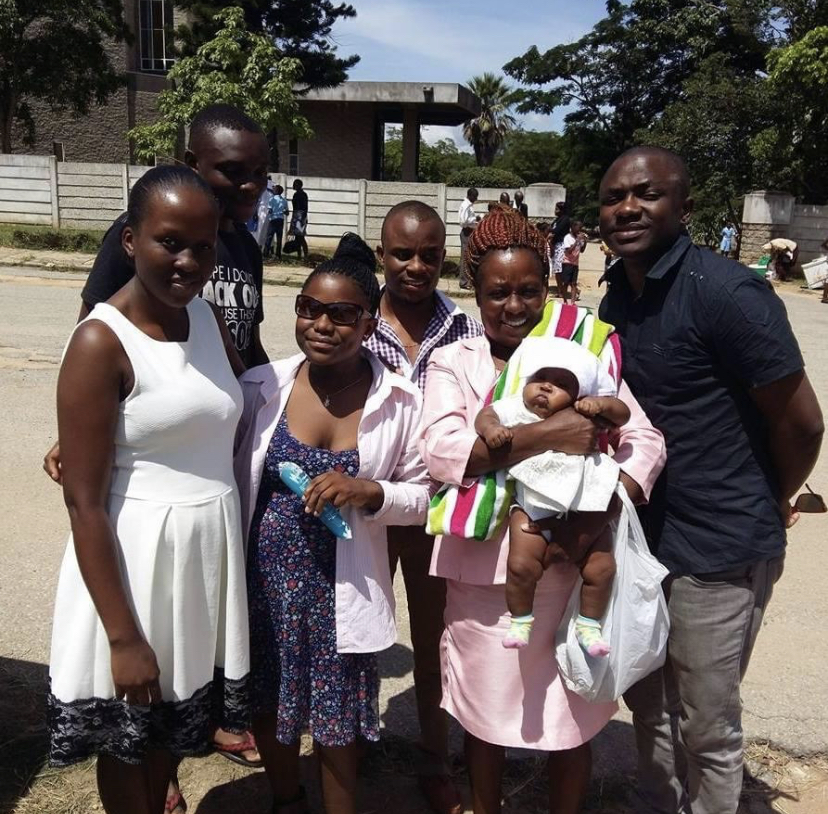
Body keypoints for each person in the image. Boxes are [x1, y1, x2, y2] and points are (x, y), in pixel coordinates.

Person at [598, 146, 824, 814]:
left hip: (721, 547)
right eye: (613, 196)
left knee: (707, 720)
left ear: (685, 207)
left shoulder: (728, 292)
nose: (627, 208)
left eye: (647, 194)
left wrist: (770, 497)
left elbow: (803, 424)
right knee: (646, 699)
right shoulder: (616, 297)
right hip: (643, 540)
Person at [420, 206, 666, 814]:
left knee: (571, 719)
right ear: (474, 293)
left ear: (549, 288)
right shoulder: (457, 363)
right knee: (484, 718)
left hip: (570, 577)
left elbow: (645, 441)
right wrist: (554, 434)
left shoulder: (581, 356)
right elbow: (445, 450)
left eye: (529, 290)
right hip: (483, 578)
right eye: (497, 292)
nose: (514, 305)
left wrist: (602, 507)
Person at [47, 166, 251, 814]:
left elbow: (253, 400)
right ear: (130, 240)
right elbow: (83, 503)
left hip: (201, 564)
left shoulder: (209, 320)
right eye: (170, 242)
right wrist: (122, 637)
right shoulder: (101, 342)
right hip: (133, 569)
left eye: (203, 244)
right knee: (127, 739)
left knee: (172, 725)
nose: (189, 260)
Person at [234, 233, 432, 814]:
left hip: (342, 584)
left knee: (337, 717)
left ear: (369, 324)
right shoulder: (261, 387)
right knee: (270, 701)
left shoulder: (399, 401)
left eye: (342, 313)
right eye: (308, 308)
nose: (322, 323)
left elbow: (425, 497)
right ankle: (286, 798)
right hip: (267, 579)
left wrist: (370, 491)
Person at [370, 200, 483, 814]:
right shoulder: (358, 320)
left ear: (447, 258)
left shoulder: (465, 327)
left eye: (430, 256)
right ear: (381, 253)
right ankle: (353, 735)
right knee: (358, 628)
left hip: (441, 510)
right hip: (370, 508)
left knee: (435, 637)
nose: (416, 266)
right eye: (403, 254)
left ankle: (435, 756)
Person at [73, 103, 270, 369]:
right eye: (232, 171)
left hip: (226, 404)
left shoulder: (247, 247)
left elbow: (251, 346)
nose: (251, 185)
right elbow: (93, 328)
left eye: (260, 173)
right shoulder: (144, 235)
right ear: (193, 164)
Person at [474, 337, 630, 653]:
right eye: (540, 379)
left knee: (601, 569)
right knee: (520, 566)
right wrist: (490, 430)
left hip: (588, 507)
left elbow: (622, 413)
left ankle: (589, 625)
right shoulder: (517, 408)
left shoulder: (584, 410)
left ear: (579, 393)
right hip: (534, 507)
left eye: (560, 384)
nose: (546, 388)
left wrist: (601, 405)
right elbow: (487, 415)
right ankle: (520, 619)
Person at [458, 187, 480, 289]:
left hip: (469, 232)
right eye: (475, 197)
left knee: (468, 257)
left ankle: (467, 280)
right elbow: (463, 221)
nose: (476, 199)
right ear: (470, 195)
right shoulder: (466, 205)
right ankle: (463, 282)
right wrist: (475, 220)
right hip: (466, 233)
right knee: (465, 258)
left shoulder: (468, 205)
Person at [560, 220, 586, 304]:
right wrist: (576, 241)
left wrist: (585, 242)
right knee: (566, 282)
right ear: (572, 228)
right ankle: (564, 300)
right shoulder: (568, 238)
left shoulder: (579, 238)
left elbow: (582, 250)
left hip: (575, 263)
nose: (580, 230)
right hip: (567, 262)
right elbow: (568, 251)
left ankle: (572, 302)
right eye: (578, 228)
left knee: (574, 283)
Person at [550, 201, 571, 295]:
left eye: (557, 209)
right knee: (556, 269)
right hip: (556, 245)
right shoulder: (557, 220)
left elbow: (557, 230)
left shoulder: (565, 219)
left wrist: (550, 231)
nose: (555, 211)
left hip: (561, 245)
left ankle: (562, 290)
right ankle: (560, 290)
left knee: (559, 269)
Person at [264, 184, 289, 260]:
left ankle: (266, 253)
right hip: (280, 220)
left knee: (269, 237)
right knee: (279, 238)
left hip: (273, 220)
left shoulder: (272, 199)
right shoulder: (284, 200)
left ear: (276, 191)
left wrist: (271, 212)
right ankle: (278, 254)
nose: (273, 190)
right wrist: (281, 211)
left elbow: (270, 210)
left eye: (274, 189)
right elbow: (287, 212)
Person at [289, 178, 309, 260]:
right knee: (298, 238)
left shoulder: (302, 194)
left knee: (300, 237)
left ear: (299, 185)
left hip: (300, 217)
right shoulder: (296, 194)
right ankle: (299, 256)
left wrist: (300, 219)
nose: (293, 185)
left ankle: (305, 255)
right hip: (297, 216)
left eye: (295, 184)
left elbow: (304, 208)